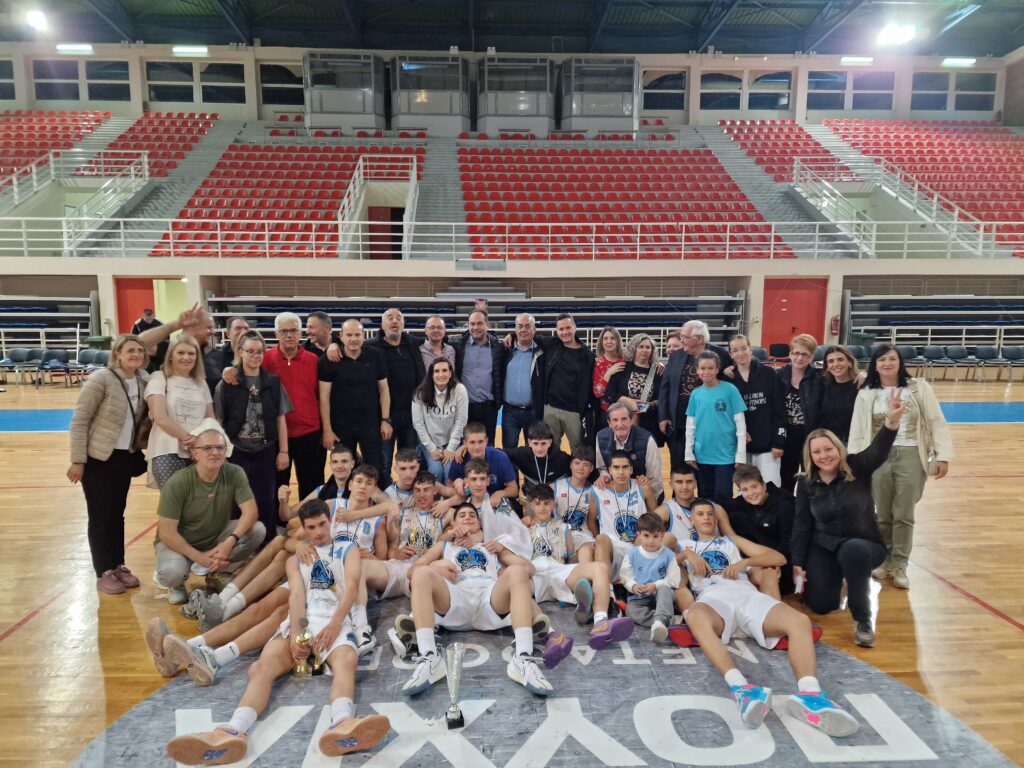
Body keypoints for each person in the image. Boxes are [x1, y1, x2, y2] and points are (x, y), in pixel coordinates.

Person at [166, 499, 391, 764]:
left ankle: (341, 723)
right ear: (304, 528)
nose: (318, 532)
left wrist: (334, 625)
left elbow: (352, 587)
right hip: (305, 620)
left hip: (336, 621)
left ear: (330, 521)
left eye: (322, 524)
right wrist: (296, 635)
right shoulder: (296, 560)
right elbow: (296, 596)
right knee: (261, 668)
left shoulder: (347, 549)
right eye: (311, 527)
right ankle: (232, 731)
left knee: (347, 662)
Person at [672, 499, 860, 738]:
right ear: (692, 519)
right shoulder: (683, 544)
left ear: (717, 519)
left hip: (746, 594)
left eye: (710, 513)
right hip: (714, 598)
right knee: (696, 616)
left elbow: (778, 558)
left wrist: (746, 562)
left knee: (800, 621)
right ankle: (743, 690)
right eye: (700, 514)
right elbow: (660, 565)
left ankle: (810, 695)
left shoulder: (731, 541)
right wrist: (685, 555)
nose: (707, 517)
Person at [399, 502, 556, 697]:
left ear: (480, 524)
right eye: (462, 515)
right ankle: (429, 658)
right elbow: (412, 571)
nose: (467, 517)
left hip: (488, 598)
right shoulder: (444, 545)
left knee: (517, 571)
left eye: (472, 515)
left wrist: (502, 549)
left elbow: (529, 569)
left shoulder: (490, 545)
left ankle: (523, 658)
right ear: (453, 524)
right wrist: (434, 568)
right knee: (421, 573)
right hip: (456, 597)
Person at [793, 391, 905, 648]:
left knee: (853, 551)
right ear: (810, 456)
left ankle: (862, 620)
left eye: (828, 449)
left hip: (864, 545)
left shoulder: (858, 466)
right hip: (826, 546)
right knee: (821, 605)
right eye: (817, 452)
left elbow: (878, 451)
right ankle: (842, 579)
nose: (824, 455)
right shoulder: (806, 482)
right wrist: (797, 562)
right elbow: (802, 523)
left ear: (838, 449)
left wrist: (891, 422)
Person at [848, 344, 953, 590]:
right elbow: (858, 429)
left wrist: (943, 456)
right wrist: (856, 461)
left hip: (911, 455)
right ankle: (884, 560)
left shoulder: (918, 388)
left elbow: (936, 421)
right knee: (882, 514)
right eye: (882, 359)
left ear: (900, 362)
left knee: (904, 514)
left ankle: (900, 564)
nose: (887, 363)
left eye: (892, 359)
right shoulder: (867, 393)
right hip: (878, 457)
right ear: (875, 365)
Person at [67, 333, 150, 595]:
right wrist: (78, 460)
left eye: (139, 350)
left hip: (125, 457)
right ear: (117, 354)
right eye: (130, 350)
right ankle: (103, 570)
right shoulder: (100, 379)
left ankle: (117, 564)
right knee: (100, 515)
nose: (136, 355)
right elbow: (80, 421)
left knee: (117, 513)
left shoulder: (144, 379)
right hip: (98, 459)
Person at [154, 423, 266, 604]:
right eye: (207, 448)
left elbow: (251, 512)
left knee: (257, 530)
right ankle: (177, 584)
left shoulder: (234, 473)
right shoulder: (177, 482)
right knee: (172, 573)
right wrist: (198, 557)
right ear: (194, 453)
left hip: (215, 536)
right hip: (179, 543)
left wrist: (230, 541)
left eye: (220, 447)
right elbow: (166, 533)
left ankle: (218, 573)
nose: (215, 452)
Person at [525, 484, 635, 649]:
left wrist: (585, 553)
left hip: (558, 571)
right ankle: (548, 633)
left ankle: (600, 622)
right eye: (538, 503)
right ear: (532, 506)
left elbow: (571, 557)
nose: (542, 507)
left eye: (546, 503)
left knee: (599, 567)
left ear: (553, 504)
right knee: (517, 588)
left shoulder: (564, 528)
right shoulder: (524, 528)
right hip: (536, 573)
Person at [215, 331, 290, 548]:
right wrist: (220, 452)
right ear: (240, 352)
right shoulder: (227, 383)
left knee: (265, 499)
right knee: (236, 501)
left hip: (265, 450)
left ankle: (265, 545)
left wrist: (283, 451)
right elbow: (219, 421)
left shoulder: (273, 383)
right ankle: (237, 546)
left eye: (260, 352)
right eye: (250, 351)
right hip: (236, 451)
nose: (256, 356)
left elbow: (281, 418)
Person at [319, 319, 391, 483]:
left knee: (375, 469)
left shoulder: (375, 355)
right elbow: (324, 398)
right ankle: (345, 499)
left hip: (370, 424)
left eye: (357, 335)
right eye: (349, 335)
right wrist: (327, 430)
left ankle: (375, 499)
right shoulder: (328, 360)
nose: (353, 339)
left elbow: (384, 390)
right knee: (343, 471)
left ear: (363, 336)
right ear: (341, 336)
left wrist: (385, 420)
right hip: (341, 426)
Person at [263, 312, 324, 498]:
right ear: (276, 334)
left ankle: (310, 517)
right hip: (276, 435)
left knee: (311, 484)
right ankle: (279, 517)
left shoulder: (314, 360)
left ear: (300, 333)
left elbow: (321, 396)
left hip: (309, 432)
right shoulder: (265, 359)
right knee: (278, 485)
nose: (289, 335)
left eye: (293, 330)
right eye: (284, 331)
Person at [659, 320, 733, 471]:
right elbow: (665, 388)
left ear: (700, 339)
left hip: (709, 425)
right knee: (679, 469)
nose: (681, 341)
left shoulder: (721, 355)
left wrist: (732, 369)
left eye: (685, 337)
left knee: (704, 471)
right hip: (679, 424)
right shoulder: (676, 356)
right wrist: (663, 416)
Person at [145, 335, 214, 488]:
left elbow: (210, 418)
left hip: (200, 452)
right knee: (173, 500)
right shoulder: (159, 377)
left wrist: (200, 443)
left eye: (191, 353)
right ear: (171, 356)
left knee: (200, 500)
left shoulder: (201, 383)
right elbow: (160, 417)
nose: (186, 357)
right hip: (167, 450)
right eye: (181, 353)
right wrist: (191, 441)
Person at [368, 308, 426, 478]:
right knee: (384, 461)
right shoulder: (370, 347)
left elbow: (437, 337)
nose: (394, 321)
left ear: (403, 324)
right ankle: (385, 492)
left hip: (411, 414)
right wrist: (334, 344)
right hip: (385, 416)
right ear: (382, 324)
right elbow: (347, 345)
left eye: (398, 318)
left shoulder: (412, 343)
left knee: (408, 460)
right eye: (390, 318)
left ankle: (405, 490)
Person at [684, 351, 747, 504]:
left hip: (726, 455)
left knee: (724, 495)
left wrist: (740, 454)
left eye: (710, 368)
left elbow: (740, 424)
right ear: (697, 370)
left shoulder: (730, 390)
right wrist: (689, 453)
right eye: (703, 368)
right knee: (705, 495)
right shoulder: (695, 394)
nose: (706, 372)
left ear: (717, 369)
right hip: (702, 454)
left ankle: (725, 520)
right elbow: (690, 426)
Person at [724, 464, 794, 598]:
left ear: (764, 485)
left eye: (754, 487)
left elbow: (789, 543)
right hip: (756, 560)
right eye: (745, 489)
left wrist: (773, 563)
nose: (751, 493)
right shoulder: (739, 504)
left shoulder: (785, 504)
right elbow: (717, 507)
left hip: (782, 560)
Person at [727, 334, 786, 487]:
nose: (740, 353)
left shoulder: (768, 374)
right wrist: (737, 432)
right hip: (741, 447)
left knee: (771, 487)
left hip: (767, 446)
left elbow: (779, 409)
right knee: (746, 489)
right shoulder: (728, 379)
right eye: (735, 350)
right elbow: (725, 415)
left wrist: (778, 442)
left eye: (743, 348)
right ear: (730, 354)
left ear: (750, 349)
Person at [592, 450, 658, 577]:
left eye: (625, 467)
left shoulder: (643, 488)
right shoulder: (598, 491)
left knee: (647, 537)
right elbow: (591, 520)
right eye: (616, 467)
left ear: (631, 470)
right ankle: (604, 585)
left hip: (639, 545)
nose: (621, 472)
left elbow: (656, 519)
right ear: (610, 470)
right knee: (600, 539)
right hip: (613, 548)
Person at [619, 512, 681, 643]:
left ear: (662, 535)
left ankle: (659, 622)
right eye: (646, 536)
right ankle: (666, 620)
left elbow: (674, 580)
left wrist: (656, 585)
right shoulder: (632, 554)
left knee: (665, 590)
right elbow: (625, 576)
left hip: (659, 595)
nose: (651, 541)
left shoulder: (668, 555)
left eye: (655, 536)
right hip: (638, 598)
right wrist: (633, 586)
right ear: (639, 535)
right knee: (631, 611)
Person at [537, 314, 595, 452]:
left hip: (574, 412)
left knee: (578, 450)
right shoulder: (552, 344)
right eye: (561, 329)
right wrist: (512, 336)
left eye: (568, 328)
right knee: (550, 449)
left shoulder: (587, 356)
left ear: (575, 328)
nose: (565, 332)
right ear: (557, 331)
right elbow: (529, 336)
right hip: (551, 409)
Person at [452, 309, 505, 444]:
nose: (475, 327)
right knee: (465, 446)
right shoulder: (458, 345)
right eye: (472, 324)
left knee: (488, 445)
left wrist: (512, 335)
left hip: (489, 408)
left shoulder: (498, 347)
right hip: (465, 407)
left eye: (479, 323)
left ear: (487, 324)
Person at [411, 357, 468, 483]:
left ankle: (449, 496)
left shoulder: (459, 390)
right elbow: (418, 424)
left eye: (444, 370)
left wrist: (451, 448)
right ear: (431, 375)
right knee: (436, 470)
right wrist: (432, 448)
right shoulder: (420, 393)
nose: (441, 374)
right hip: (430, 441)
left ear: (450, 373)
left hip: (451, 441)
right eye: (436, 371)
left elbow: (461, 421)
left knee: (449, 470)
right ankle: (434, 496)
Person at [777, 334, 823, 492]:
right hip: (786, 435)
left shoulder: (819, 377)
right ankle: (788, 507)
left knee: (809, 478)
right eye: (796, 353)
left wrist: (861, 375)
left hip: (809, 434)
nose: (799, 357)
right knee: (786, 477)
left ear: (811, 357)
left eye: (805, 354)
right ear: (790, 354)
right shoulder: (779, 375)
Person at [595, 402, 664, 501]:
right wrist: (605, 476)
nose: (620, 425)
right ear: (609, 423)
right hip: (615, 494)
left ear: (631, 420)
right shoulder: (600, 437)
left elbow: (655, 479)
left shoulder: (648, 440)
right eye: (615, 420)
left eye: (624, 419)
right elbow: (602, 468)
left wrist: (650, 503)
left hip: (641, 495)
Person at [606, 332, 664, 446]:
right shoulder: (623, 367)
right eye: (641, 346)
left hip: (649, 422)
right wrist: (631, 402)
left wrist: (651, 404)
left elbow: (663, 397)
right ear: (634, 349)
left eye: (648, 347)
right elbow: (610, 393)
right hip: (623, 420)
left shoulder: (658, 371)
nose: (644, 350)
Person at [447, 422, 519, 508]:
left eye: (480, 442)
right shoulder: (459, 458)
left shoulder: (500, 457)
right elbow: (449, 485)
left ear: (486, 441)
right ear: (465, 443)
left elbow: (514, 489)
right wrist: (457, 482)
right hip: (469, 505)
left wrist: (499, 493)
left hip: (495, 504)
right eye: (472, 442)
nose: (477, 447)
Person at [501, 313, 544, 448]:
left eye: (527, 326)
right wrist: (511, 335)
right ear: (515, 329)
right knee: (509, 451)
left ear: (534, 329)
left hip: (533, 411)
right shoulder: (505, 350)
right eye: (520, 326)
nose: (523, 330)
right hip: (510, 412)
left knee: (533, 451)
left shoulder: (542, 351)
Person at [504, 421, 570, 503]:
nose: (539, 448)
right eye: (535, 443)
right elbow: (497, 454)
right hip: (532, 500)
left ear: (550, 442)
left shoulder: (561, 458)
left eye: (543, 443)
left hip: (556, 499)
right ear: (529, 442)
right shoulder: (522, 455)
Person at [139, 303, 215, 374]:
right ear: (193, 325)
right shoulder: (167, 347)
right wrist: (177, 324)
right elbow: (139, 343)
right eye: (209, 327)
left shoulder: (211, 354)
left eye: (191, 354)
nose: (213, 332)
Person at [553, 446, 598, 563]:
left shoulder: (594, 491)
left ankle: (585, 574)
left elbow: (591, 521)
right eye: (577, 463)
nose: (581, 468)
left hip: (582, 536)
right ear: (570, 465)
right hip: (558, 535)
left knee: (588, 550)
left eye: (586, 464)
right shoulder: (555, 487)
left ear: (591, 468)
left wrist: (597, 540)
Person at [819, 345, 861, 445]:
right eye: (831, 361)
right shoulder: (822, 385)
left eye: (840, 359)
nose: (836, 364)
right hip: (829, 441)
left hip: (854, 443)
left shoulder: (860, 385)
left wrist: (865, 375)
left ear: (850, 362)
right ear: (827, 366)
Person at [204, 316, 251, 397]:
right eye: (238, 328)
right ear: (228, 334)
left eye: (246, 328)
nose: (243, 331)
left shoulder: (256, 357)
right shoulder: (214, 358)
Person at [592, 326, 625, 432]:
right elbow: (597, 393)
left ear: (618, 341)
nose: (609, 341)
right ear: (601, 342)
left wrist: (658, 364)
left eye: (612, 338)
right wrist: (608, 373)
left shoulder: (626, 361)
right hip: (606, 413)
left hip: (625, 412)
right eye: (605, 338)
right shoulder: (597, 363)